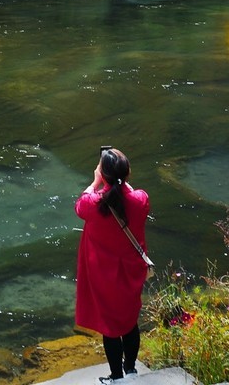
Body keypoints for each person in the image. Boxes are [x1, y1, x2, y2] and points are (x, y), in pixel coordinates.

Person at [75, 146, 151, 382]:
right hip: (131, 273)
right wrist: (118, 180)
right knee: (129, 321)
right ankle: (131, 369)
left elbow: (80, 204)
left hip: (103, 276)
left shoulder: (92, 204)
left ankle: (116, 376)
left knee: (110, 327)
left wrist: (96, 181)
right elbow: (128, 193)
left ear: (102, 174)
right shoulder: (140, 200)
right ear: (127, 174)